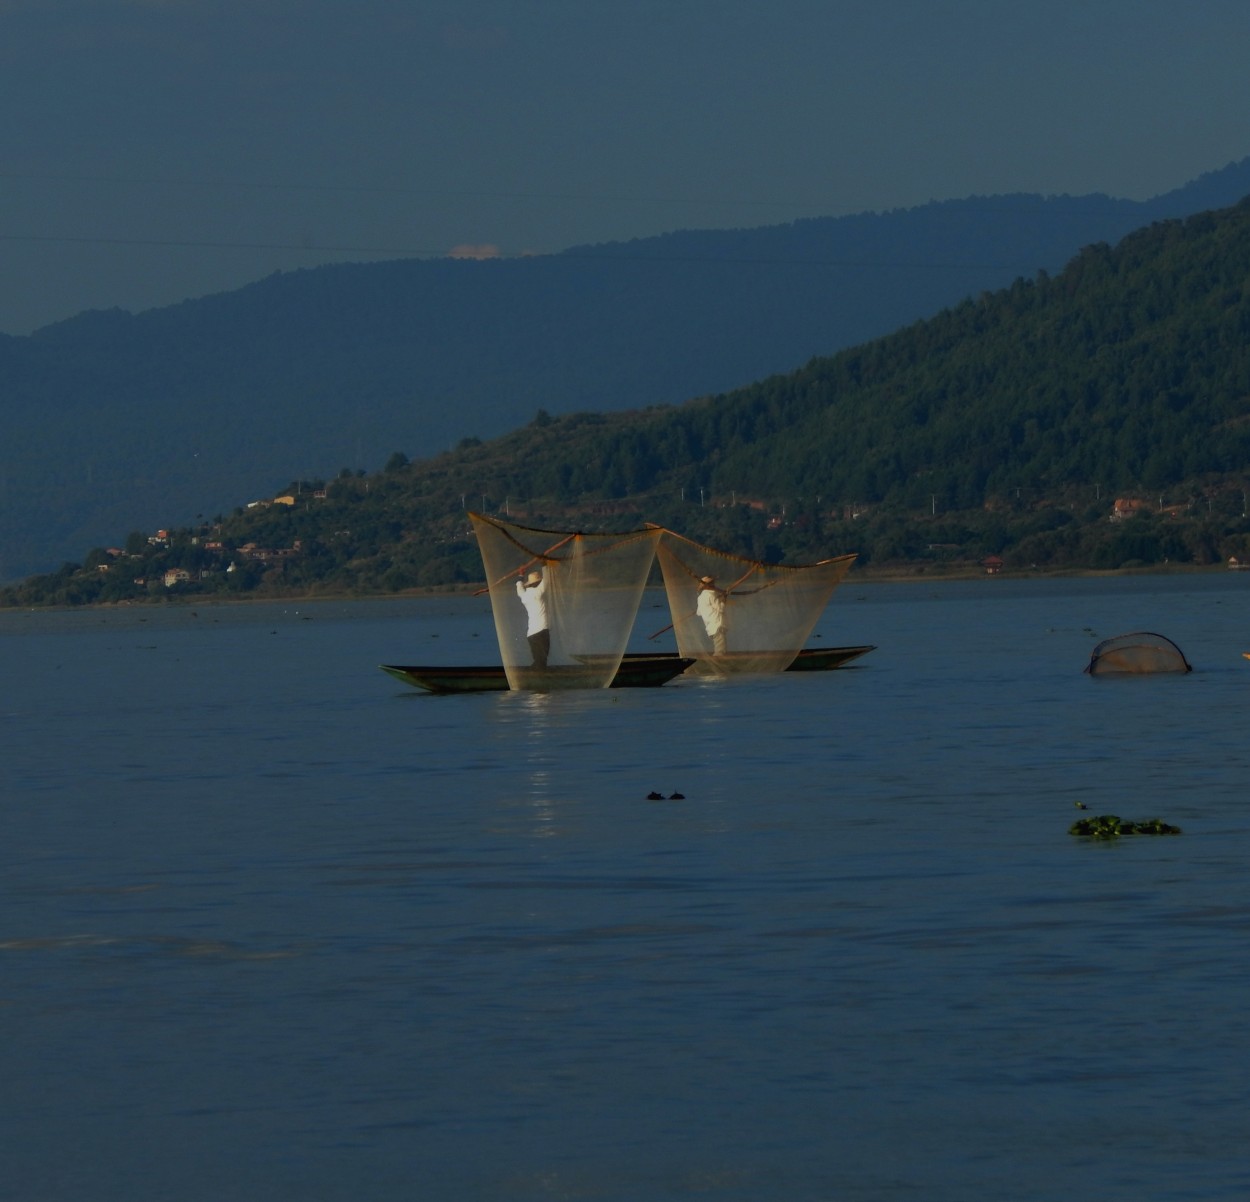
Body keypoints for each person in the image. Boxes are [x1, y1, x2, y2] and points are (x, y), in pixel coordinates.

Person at [515, 567, 550, 667]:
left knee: (538, 659)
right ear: (537, 583)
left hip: (531, 634)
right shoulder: (538, 592)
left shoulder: (524, 595)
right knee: (542, 660)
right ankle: (537, 676)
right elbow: (546, 579)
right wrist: (544, 565)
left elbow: (519, 585)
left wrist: (521, 574)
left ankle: (535, 675)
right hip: (542, 630)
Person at [695, 575, 727, 655]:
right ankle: (718, 662)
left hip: (710, 626)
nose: (714, 584)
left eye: (713, 582)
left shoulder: (700, 597)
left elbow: (698, 612)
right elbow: (720, 609)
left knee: (719, 647)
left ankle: (718, 660)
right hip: (717, 625)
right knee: (720, 650)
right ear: (707, 585)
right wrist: (723, 599)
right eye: (712, 583)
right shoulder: (711, 595)